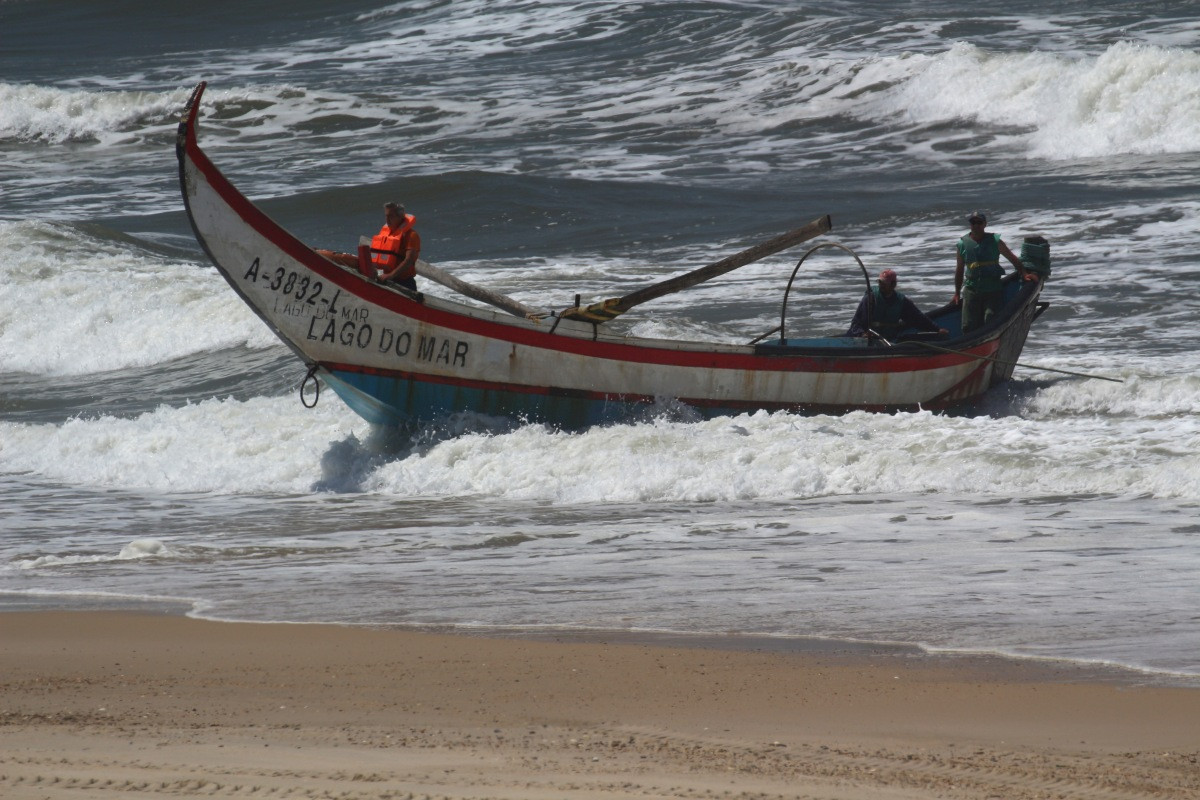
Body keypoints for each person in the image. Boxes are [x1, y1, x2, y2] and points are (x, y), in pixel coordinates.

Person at [953, 211, 1034, 333]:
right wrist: (957, 293)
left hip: (992, 288)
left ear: (985, 224)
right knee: (968, 326)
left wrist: (1023, 273)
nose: (976, 225)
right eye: (973, 222)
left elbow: (1012, 258)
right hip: (971, 289)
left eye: (979, 222)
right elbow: (959, 270)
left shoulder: (995, 241)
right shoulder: (962, 244)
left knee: (991, 319)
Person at [316, 202, 421, 290]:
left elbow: (409, 261)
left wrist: (390, 275)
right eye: (386, 216)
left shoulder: (411, 236)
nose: (387, 220)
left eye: (391, 216)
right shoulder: (387, 234)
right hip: (388, 279)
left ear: (400, 217)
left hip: (405, 283)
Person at [846, 269, 948, 339]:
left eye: (884, 283)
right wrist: (862, 335)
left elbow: (918, 318)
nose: (881, 285)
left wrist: (937, 329)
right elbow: (856, 323)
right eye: (880, 282)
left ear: (893, 285)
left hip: (889, 340)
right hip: (867, 341)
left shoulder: (901, 301)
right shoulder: (871, 298)